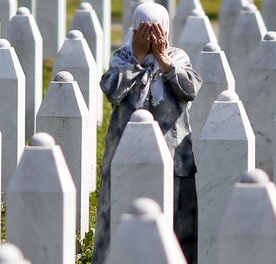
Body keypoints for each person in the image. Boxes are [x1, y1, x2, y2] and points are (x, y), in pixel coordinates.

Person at [93, 3, 202, 263]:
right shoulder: (123, 58)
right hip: (125, 156)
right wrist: (139, 59)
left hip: (175, 160)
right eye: (144, 33)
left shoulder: (177, 58)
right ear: (133, 32)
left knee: (177, 227)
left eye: (156, 33)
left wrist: (165, 62)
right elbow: (112, 90)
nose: (151, 40)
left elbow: (190, 90)